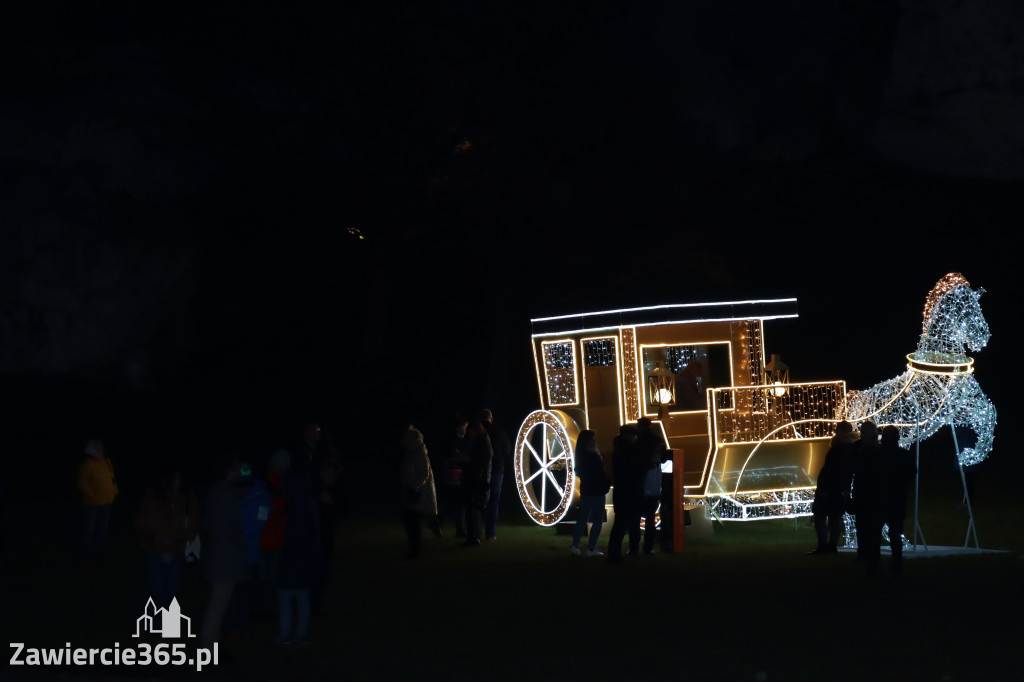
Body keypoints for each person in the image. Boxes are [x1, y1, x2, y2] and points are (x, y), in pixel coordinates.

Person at [135, 467, 200, 610]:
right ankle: (154, 626)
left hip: (177, 549)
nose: (178, 481)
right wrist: (156, 536)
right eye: (174, 478)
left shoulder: (187, 497)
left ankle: (170, 628)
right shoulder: (154, 497)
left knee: (173, 592)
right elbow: (143, 523)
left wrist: (186, 534)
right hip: (154, 550)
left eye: (179, 478)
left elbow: (193, 521)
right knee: (156, 591)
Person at [201, 455, 249, 648]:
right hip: (224, 560)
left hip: (220, 558)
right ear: (229, 471)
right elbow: (228, 529)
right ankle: (208, 648)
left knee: (218, 605)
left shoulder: (219, 492)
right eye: (237, 468)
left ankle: (211, 644)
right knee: (217, 605)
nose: (239, 472)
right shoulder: (224, 494)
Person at [277, 460, 319, 644]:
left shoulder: (295, 509)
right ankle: (300, 634)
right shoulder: (308, 505)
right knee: (302, 597)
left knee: (287, 598)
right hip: (305, 560)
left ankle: (287, 634)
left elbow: (292, 539)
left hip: (293, 561)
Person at [809, 421, 858, 554]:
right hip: (839, 488)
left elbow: (831, 469)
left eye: (837, 429)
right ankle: (831, 545)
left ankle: (824, 546)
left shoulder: (839, 447)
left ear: (841, 431)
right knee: (834, 517)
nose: (835, 432)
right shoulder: (852, 447)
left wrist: (824, 488)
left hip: (830, 487)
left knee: (820, 515)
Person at [879, 425, 916, 576]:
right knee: (896, 532)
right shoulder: (904, 455)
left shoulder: (875, 454)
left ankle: (873, 564)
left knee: (875, 531)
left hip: (878, 497)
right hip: (897, 497)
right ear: (898, 438)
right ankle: (897, 563)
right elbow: (913, 472)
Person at [400, 426, 439, 558]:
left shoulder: (419, 453)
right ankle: (414, 549)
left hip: (418, 494)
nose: (403, 441)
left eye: (406, 439)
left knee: (412, 522)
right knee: (410, 521)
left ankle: (414, 550)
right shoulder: (413, 452)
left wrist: (414, 487)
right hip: (415, 492)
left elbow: (424, 473)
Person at [570, 430, 610, 557]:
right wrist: (607, 481)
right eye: (592, 440)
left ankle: (575, 546)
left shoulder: (581, 456)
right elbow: (600, 474)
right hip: (596, 491)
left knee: (583, 519)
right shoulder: (593, 457)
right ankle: (591, 548)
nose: (594, 442)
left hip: (586, 490)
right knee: (597, 520)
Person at [850, 421, 883, 575]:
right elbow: (850, 469)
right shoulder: (858, 449)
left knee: (872, 526)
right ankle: (864, 553)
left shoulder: (878, 450)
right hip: (863, 492)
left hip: (874, 492)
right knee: (862, 525)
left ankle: (871, 556)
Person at [77, 439, 119, 558]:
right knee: (89, 530)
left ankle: (100, 552)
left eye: (101, 448)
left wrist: (115, 491)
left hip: (107, 501)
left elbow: (111, 477)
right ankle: (85, 553)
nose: (101, 450)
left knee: (103, 529)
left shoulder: (106, 461)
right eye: (98, 448)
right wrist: (94, 496)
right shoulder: (87, 465)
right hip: (92, 504)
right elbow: (82, 483)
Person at [606, 424, 642, 563]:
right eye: (634, 436)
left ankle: (616, 552)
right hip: (629, 492)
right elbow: (634, 469)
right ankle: (616, 553)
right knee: (622, 524)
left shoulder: (619, 451)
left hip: (623, 492)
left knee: (621, 524)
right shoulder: (627, 452)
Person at [480, 408, 512, 541]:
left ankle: (474, 532)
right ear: (491, 418)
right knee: (494, 502)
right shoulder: (500, 432)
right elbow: (507, 450)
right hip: (497, 470)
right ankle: (490, 533)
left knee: (477, 501)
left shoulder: (477, 431)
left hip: (480, 470)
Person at [436, 414, 469, 538]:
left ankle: (458, 529)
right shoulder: (452, 441)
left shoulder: (462, 439)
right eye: (465, 426)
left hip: (458, 477)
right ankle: (439, 522)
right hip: (452, 477)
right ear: (459, 427)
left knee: (458, 503)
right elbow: (450, 457)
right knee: (455, 503)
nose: (466, 429)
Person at [637, 417, 666, 555]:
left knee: (635, 515)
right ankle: (648, 547)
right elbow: (664, 457)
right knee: (650, 516)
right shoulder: (657, 439)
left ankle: (634, 546)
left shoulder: (635, 441)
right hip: (652, 478)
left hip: (637, 479)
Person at [462, 421, 492, 546]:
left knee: (474, 509)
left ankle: (474, 537)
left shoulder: (481, 444)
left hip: (477, 480)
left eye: (470, 431)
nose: (468, 433)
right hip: (477, 479)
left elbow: (481, 464)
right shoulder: (483, 442)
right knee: (473, 509)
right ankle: (474, 536)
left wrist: (467, 461)